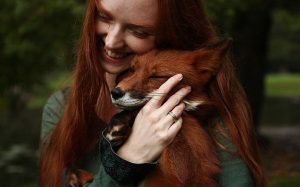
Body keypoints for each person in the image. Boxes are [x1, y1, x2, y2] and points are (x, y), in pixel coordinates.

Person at [39, 0, 265, 186]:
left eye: (139, 31)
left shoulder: (216, 117)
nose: (112, 41)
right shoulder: (61, 107)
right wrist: (127, 159)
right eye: (105, 17)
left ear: (170, 34)